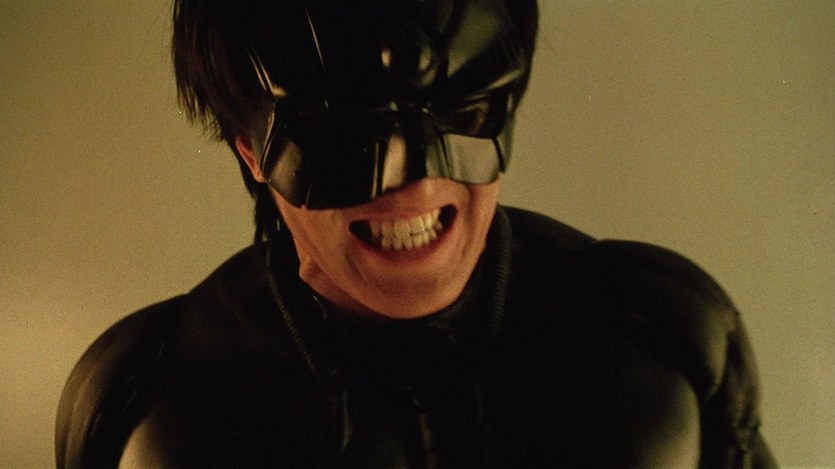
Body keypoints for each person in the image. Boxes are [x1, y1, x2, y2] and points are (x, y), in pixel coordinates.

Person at [55, 0, 777, 467]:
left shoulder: (665, 329)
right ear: (252, 152)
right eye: (341, 133)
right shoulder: (146, 394)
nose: (416, 186)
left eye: (464, 111)